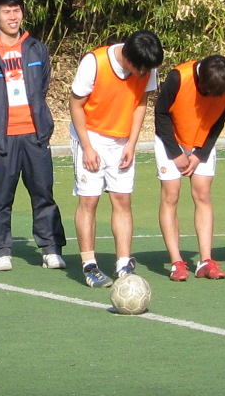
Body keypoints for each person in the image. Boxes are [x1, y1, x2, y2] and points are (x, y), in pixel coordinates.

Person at [70, 30, 163, 287]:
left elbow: (141, 102)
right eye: (141, 70)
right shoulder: (94, 62)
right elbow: (75, 105)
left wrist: (132, 143)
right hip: (90, 135)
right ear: (129, 60)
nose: (145, 74)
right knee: (89, 200)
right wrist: (87, 147)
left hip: (122, 140)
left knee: (122, 199)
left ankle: (123, 264)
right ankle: (89, 264)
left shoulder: (147, 66)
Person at [0, 0, 65, 272]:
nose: (13, 16)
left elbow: (42, 86)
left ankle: (50, 248)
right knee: (0, 198)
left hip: (34, 135)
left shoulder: (36, 48)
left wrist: (42, 124)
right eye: (6, 11)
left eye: (16, 10)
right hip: (1, 138)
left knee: (43, 195)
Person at [154, 54, 225, 281]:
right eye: (209, 92)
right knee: (171, 195)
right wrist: (176, 153)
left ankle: (205, 261)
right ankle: (176, 263)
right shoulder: (178, 77)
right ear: (202, 81)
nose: (213, 97)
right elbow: (160, 113)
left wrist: (200, 154)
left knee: (203, 194)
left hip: (202, 142)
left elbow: (220, 118)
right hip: (170, 140)